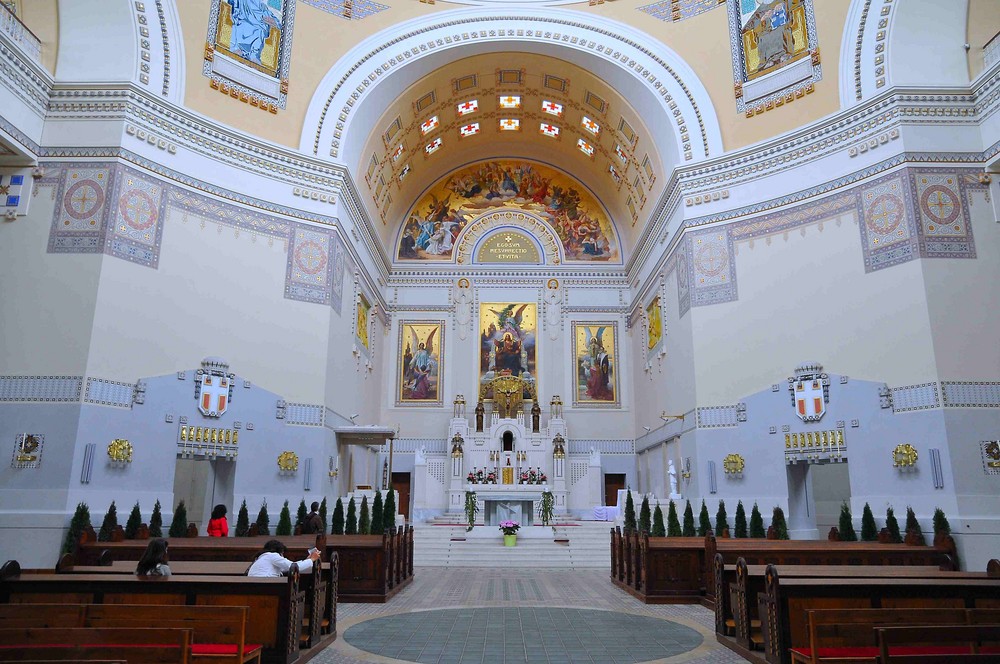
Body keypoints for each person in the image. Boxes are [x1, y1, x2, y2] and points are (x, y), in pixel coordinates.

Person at [247, 539, 320, 577]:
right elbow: (293, 567)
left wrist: (306, 560)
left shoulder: (264, 557)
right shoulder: (273, 556)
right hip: (264, 585)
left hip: (257, 584)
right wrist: (312, 559)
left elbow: (290, 566)